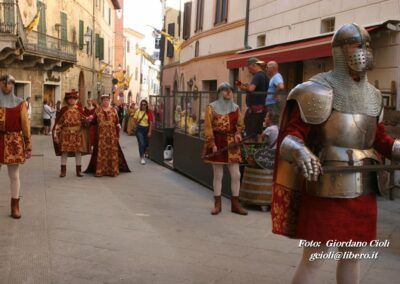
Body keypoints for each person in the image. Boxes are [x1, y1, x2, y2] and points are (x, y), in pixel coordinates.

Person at [272, 23, 400, 284]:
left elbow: (380, 139)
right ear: (340, 51)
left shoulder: (373, 96)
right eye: (356, 45)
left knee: (353, 255)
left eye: (367, 45)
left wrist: (398, 149)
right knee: (315, 257)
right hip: (326, 186)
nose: (363, 51)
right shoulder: (315, 90)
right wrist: (301, 152)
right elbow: (290, 136)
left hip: (364, 185)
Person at [202, 82, 248, 216]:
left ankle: (235, 204)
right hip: (217, 142)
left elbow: (240, 125)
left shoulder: (236, 108)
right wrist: (212, 144)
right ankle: (217, 204)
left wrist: (238, 134)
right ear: (219, 92)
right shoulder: (211, 108)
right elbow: (208, 127)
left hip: (232, 143)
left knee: (236, 175)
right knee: (218, 175)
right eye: (225, 90)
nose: (228, 92)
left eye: (230, 90)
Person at [0, 74, 32, 219]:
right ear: (1, 84)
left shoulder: (20, 103)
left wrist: (28, 144)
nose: (10, 86)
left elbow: (25, 125)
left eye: (12, 84)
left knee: (14, 175)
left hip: (14, 141)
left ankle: (15, 206)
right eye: (7, 83)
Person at [85, 94, 130, 177]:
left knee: (111, 152)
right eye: (104, 100)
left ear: (109, 101)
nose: (106, 101)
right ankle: (100, 170)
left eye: (107, 100)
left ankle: (112, 170)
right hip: (101, 136)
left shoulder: (113, 110)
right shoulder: (97, 110)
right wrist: (89, 120)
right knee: (101, 153)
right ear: (102, 101)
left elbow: (117, 122)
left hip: (111, 136)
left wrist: (117, 134)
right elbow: (94, 122)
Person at [52, 91, 90, 177]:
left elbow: (84, 122)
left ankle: (78, 171)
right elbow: (58, 123)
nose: (72, 100)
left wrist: (87, 121)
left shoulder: (79, 109)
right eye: (70, 98)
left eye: (74, 98)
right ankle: (63, 171)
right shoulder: (63, 110)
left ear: (76, 99)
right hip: (66, 134)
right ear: (67, 100)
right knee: (64, 152)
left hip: (77, 134)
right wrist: (56, 134)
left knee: (78, 152)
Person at [238, 57, 269, 142]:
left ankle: (250, 154)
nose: (249, 71)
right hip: (262, 108)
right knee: (259, 132)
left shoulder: (257, 75)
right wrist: (248, 85)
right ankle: (258, 152)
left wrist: (243, 87)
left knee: (250, 133)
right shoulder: (265, 75)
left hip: (254, 110)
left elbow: (251, 89)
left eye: (249, 68)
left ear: (254, 65)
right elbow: (256, 88)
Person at [133, 99, 153, 165]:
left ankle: (143, 153)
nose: (143, 106)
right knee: (141, 143)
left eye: (144, 104)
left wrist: (149, 132)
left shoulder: (149, 112)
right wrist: (136, 125)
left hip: (146, 129)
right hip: (139, 129)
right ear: (140, 105)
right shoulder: (138, 111)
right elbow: (134, 119)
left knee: (145, 144)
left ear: (146, 105)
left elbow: (151, 122)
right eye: (142, 104)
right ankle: (142, 158)